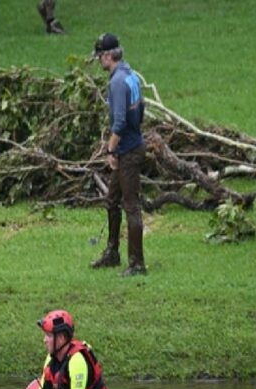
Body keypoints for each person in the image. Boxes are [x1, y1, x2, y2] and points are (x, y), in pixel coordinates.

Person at [90, 32, 148, 277]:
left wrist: (111, 149)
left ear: (108, 55)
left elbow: (120, 122)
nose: (98, 61)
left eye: (100, 56)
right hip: (130, 147)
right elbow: (141, 109)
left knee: (131, 206)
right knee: (111, 200)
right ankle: (112, 253)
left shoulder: (116, 82)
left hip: (128, 152)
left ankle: (137, 264)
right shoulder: (130, 75)